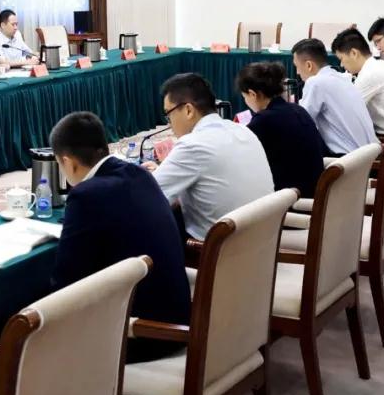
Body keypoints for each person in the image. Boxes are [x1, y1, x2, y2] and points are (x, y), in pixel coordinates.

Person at [49, 112, 191, 362]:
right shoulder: (141, 174)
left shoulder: (86, 196)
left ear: (68, 162)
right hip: (179, 318)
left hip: (141, 334)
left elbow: (66, 283)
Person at [141, 73, 274, 241]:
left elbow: (148, 196)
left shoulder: (193, 144)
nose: (170, 123)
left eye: (169, 114)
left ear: (188, 110)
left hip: (217, 250)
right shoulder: (243, 130)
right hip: (262, 243)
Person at [236, 62, 325, 198]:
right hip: (315, 191)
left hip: (290, 199)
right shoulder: (298, 109)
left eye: (244, 97)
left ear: (252, 94)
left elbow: (242, 160)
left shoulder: (263, 120)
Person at [291, 38, 378, 156]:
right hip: (368, 154)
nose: (297, 72)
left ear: (309, 65)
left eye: (297, 66)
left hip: (346, 160)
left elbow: (301, 122)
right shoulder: (342, 78)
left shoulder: (316, 82)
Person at [331, 28, 384, 135]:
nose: (341, 65)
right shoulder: (380, 65)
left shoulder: (369, 75)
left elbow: (346, 113)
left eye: (341, 59)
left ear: (354, 53)